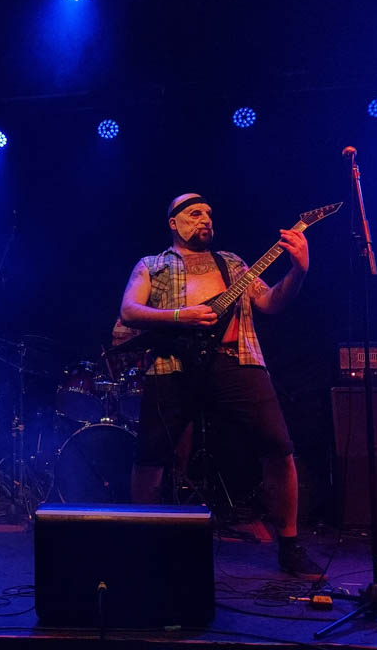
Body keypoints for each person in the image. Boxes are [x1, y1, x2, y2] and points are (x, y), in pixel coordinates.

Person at [117, 193, 324, 579]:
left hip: (237, 361)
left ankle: (290, 545)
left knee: (279, 448)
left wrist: (298, 270)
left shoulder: (233, 263)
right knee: (150, 456)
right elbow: (129, 310)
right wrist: (180, 316)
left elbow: (270, 303)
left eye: (209, 214)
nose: (205, 219)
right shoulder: (151, 265)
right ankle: (142, 544)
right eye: (195, 213)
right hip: (172, 365)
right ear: (174, 223)